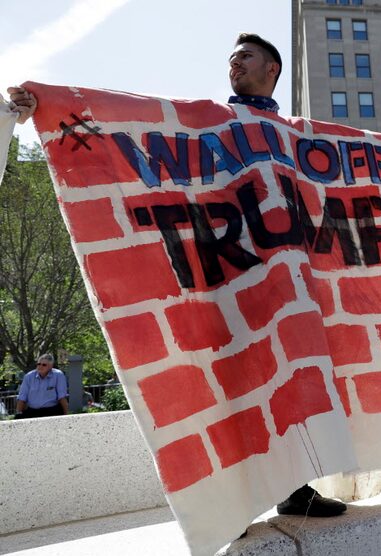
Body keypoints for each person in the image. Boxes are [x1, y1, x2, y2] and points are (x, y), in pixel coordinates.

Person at [9, 33, 345, 519]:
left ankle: (296, 487)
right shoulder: (210, 121)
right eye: (231, 58)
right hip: (222, 274)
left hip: (283, 281)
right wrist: (46, 103)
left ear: (272, 68)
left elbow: (350, 158)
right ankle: (230, 505)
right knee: (231, 384)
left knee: (290, 378)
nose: (235, 64)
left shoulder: (294, 132)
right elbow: (124, 115)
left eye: (245, 56)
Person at [15, 354, 69, 418]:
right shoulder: (28, 376)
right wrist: (18, 414)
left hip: (52, 411)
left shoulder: (58, 375)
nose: (40, 366)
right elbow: (22, 397)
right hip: (32, 411)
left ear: (50, 366)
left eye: (44, 365)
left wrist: (66, 416)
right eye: (39, 364)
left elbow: (62, 397)